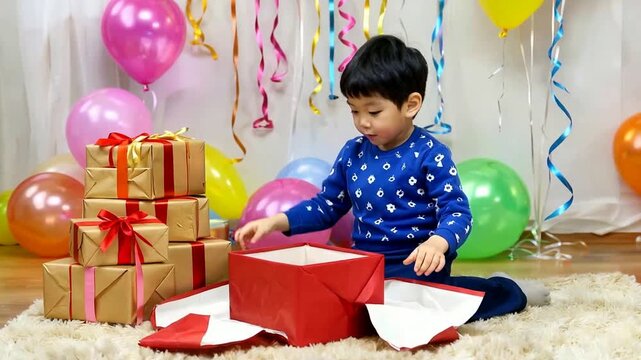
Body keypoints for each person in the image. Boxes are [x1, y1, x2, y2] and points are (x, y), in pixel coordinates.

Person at [234, 34, 549, 321]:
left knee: (436, 312)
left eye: (373, 112)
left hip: (418, 266)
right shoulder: (352, 153)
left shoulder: (430, 154)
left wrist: (438, 244)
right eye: (354, 111)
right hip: (366, 268)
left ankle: (507, 290)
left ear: (410, 105)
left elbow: (457, 211)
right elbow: (327, 205)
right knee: (338, 311)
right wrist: (276, 222)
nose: (362, 123)